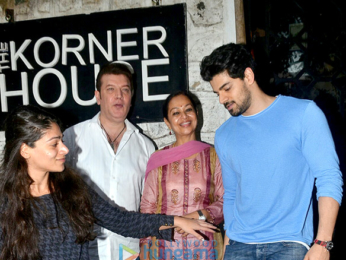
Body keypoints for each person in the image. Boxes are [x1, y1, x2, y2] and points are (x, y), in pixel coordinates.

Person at [0, 105, 218, 260]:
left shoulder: (72, 188)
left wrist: (176, 221)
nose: (64, 149)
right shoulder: (5, 202)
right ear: (25, 150)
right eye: (54, 144)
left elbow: (121, 220)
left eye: (62, 142)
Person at [200, 43, 343, 260]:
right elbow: (231, 194)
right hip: (239, 245)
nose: (222, 99)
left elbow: (328, 177)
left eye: (227, 88)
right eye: (217, 92)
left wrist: (323, 242)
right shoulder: (224, 135)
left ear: (248, 76)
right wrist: (228, 247)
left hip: (289, 245)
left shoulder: (304, 114)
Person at [63, 61, 155, 259]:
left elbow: (149, 205)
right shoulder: (72, 138)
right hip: (84, 247)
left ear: (131, 97)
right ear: (98, 96)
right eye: (111, 89)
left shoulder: (146, 147)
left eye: (125, 90)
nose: (119, 96)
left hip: (129, 250)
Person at [139, 91, 224, 260]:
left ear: (197, 114)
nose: (184, 116)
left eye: (188, 110)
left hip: (205, 248)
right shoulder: (158, 159)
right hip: (165, 248)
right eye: (176, 113)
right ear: (167, 122)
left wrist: (201, 214)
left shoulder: (215, 156)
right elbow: (147, 208)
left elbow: (227, 201)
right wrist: (145, 248)